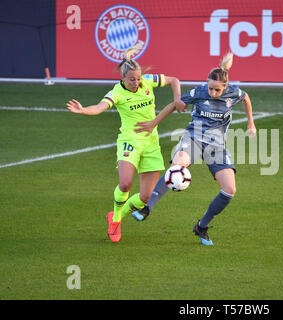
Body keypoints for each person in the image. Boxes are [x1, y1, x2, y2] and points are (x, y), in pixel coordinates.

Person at [132, 52, 256, 245]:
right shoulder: (199, 92)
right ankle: (147, 208)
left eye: (216, 90)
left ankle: (202, 226)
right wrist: (154, 122)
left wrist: (251, 123)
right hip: (194, 138)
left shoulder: (234, 92)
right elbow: (176, 104)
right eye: (210, 88)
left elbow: (246, 98)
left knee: (229, 189)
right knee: (177, 167)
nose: (212, 93)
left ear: (225, 87)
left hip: (216, 145)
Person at [66, 46, 183, 243]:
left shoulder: (148, 81)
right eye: (132, 80)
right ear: (123, 79)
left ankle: (116, 217)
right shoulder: (117, 92)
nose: (136, 83)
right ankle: (116, 218)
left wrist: (177, 98)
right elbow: (100, 107)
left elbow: (174, 80)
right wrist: (84, 110)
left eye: (138, 78)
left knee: (145, 197)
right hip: (130, 142)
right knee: (125, 183)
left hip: (151, 144)